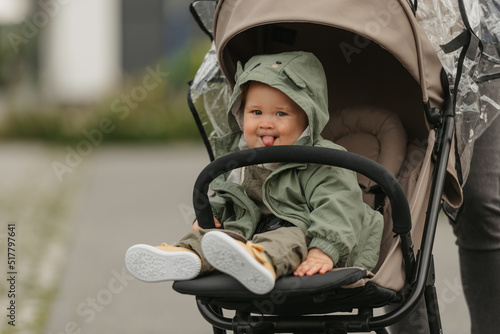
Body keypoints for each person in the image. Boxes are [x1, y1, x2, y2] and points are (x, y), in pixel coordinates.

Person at [125, 51, 384, 295]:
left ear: (307, 117)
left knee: (286, 238)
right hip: (246, 233)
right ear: (241, 114)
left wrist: (323, 251)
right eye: (256, 112)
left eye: (280, 113)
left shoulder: (323, 161)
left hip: (303, 234)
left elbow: (339, 208)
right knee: (212, 236)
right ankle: (186, 255)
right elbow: (228, 196)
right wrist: (210, 215)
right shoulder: (241, 159)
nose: (265, 122)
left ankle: (259, 261)